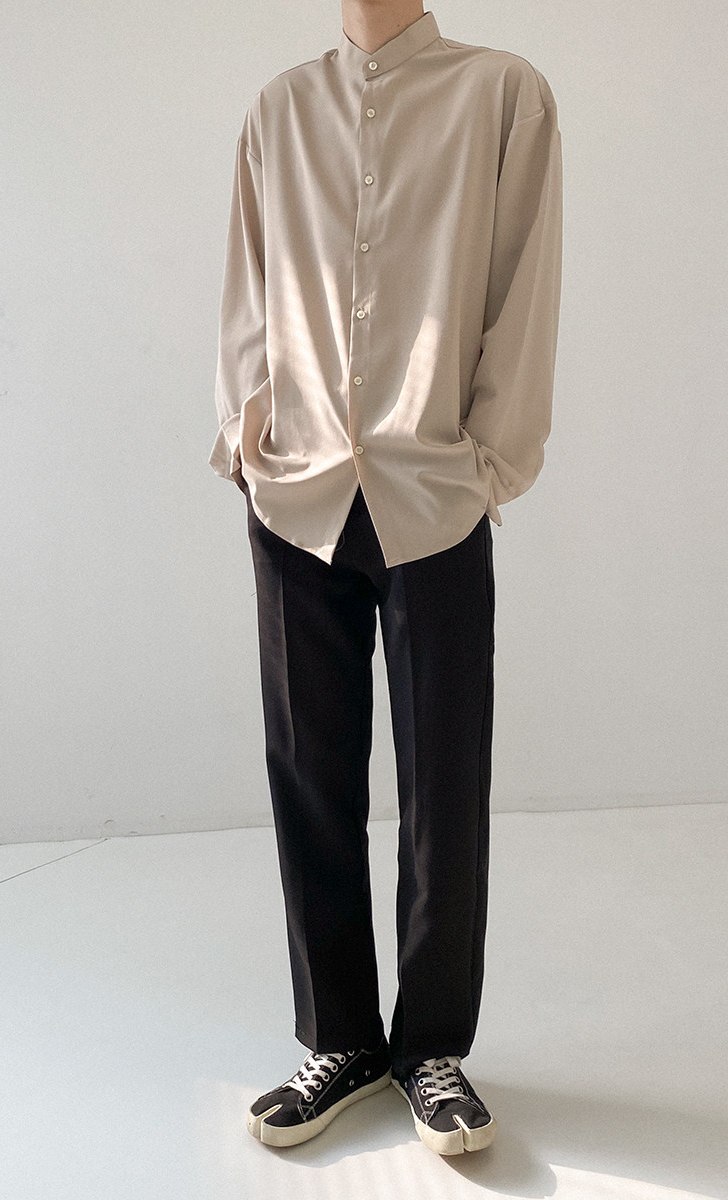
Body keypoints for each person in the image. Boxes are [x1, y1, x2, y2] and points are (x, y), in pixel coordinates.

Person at [208, 0, 562, 1157]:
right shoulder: (279, 109)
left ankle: (433, 1048)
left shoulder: (501, 94)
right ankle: (342, 1040)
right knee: (308, 773)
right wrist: (248, 434)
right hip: (296, 491)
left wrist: (489, 462)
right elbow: (250, 289)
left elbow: (522, 288)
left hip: (433, 486)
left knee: (443, 780)